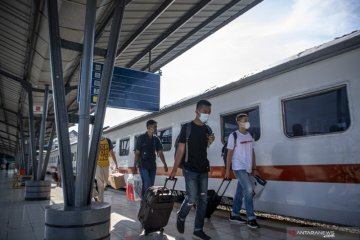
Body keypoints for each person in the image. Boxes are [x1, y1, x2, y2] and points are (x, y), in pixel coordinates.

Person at [169, 100, 215, 240]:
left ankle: (198, 229)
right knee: (191, 198)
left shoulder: (207, 129)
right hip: (189, 168)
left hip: (203, 169)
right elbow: (181, 149)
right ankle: (181, 216)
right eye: (205, 112)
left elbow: (205, 146)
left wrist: (211, 141)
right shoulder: (187, 128)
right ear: (197, 112)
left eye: (209, 113)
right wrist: (174, 169)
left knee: (203, 200)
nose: (207, 115)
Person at [225, 113, 260, 229]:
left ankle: (234, 214)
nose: (247, 122)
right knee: (249, 189)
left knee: (240, 192)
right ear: (239, 123)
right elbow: (229, 154)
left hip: (248, 168)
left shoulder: (250, 135)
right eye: (244, 120)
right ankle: (251, 218)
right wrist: (227, 170)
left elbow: (252, 152)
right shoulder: (234, 135)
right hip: (238, 167)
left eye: (247, 120)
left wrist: (254, 168)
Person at [133, 119, 168, 195]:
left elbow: (160, 152)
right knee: (147, 184)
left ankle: (147, 204)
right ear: (149, 127)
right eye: (154, 127)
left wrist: (165, 164)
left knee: (151, 186)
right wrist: (134, 166)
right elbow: (137, 153)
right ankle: (144, 203)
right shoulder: (141, 138)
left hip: (152, 166)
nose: (156, 128)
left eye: (156, 127)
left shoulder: (156, 139)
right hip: (143, 166)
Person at [96, 135, 118, 202]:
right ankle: (101, 201)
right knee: (100, 183)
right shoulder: (96, 141)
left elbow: (111, 153)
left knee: (105, 182)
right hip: (98, 164)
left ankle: (98, 195)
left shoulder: (108, 141)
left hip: (106, 164)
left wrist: (116, 163)